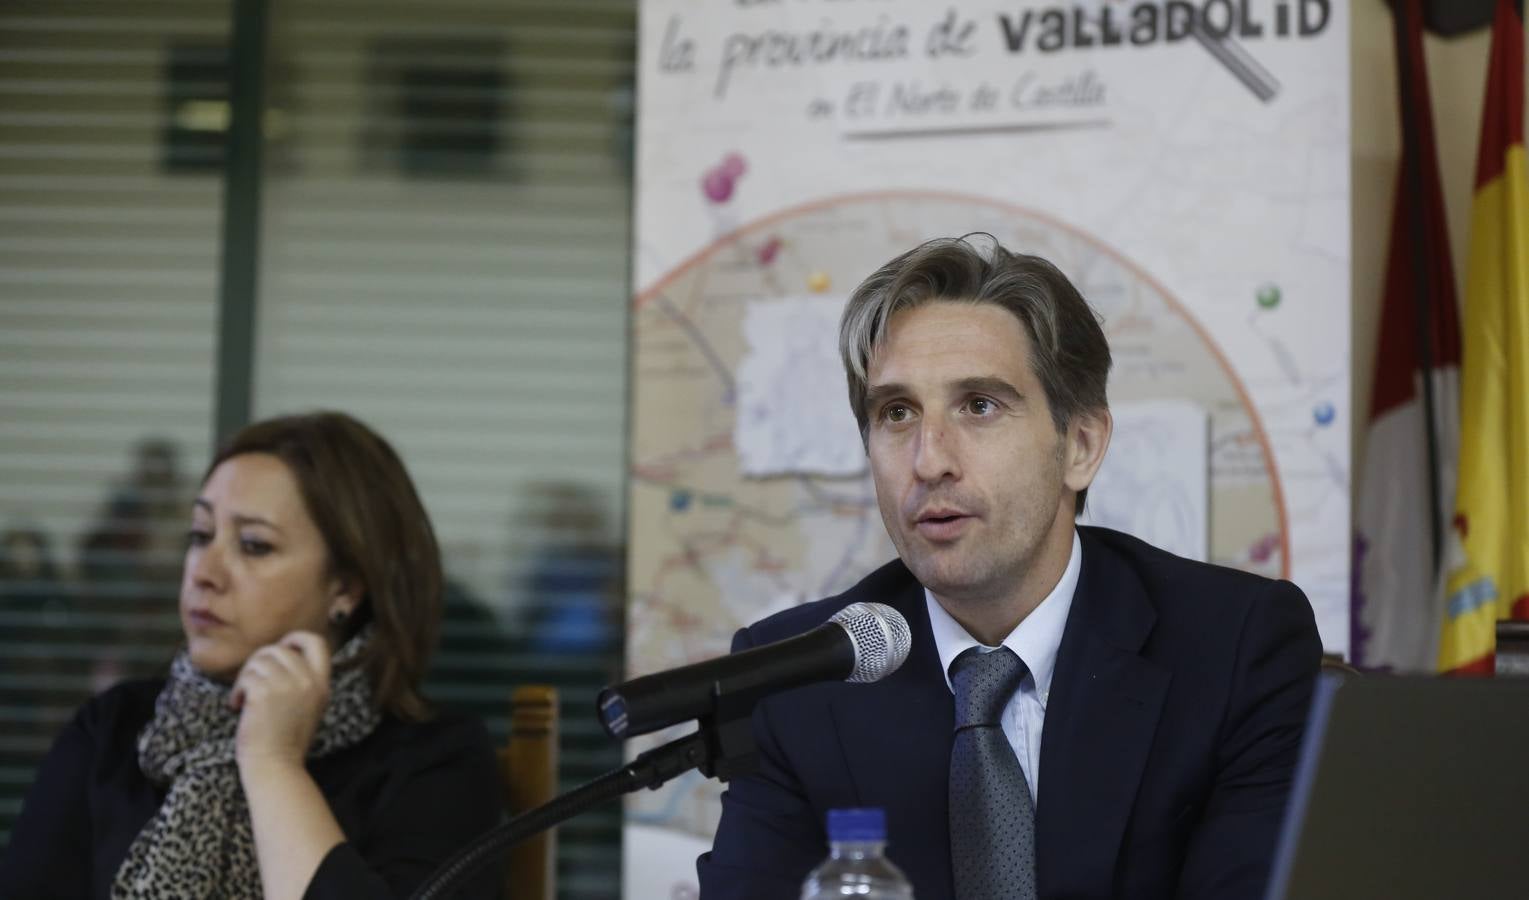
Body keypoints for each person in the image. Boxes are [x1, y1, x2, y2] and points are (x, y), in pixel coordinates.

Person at [698, 236, 1322, 899]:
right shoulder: (793, 677)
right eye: (897, 413)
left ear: (1080, 446)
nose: (929, 459)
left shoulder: (1232, 648)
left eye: (978, 406)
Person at [0, 412, 501, 899]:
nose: (204, 572)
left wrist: (273, 762)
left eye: (254, 545)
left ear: (345, 586)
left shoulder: (434, 759)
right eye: (200, 535)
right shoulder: (112, 730)